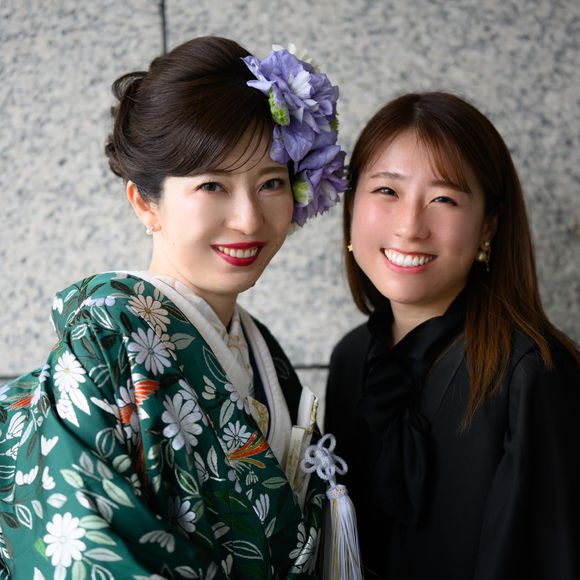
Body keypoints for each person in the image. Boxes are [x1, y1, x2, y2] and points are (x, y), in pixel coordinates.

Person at [0, 36, 349, 578]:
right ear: (145, 202)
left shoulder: (264, 354)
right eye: (212, 185)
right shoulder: (109, 340)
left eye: (271, 183)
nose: (248, 219)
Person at [324, 91, 580, 580]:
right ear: (351, 206)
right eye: (387, 190)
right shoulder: (352, 358)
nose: (410, 227)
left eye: (443, 199)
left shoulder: (531, 375)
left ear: (488, 227)